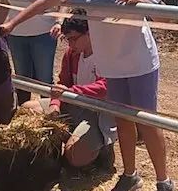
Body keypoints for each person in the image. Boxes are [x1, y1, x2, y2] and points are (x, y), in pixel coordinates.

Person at [2, 0, 174, 191]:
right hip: (112, 65)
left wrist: (140, 4)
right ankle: (130, 175)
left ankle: (164, 182)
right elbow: (47, 2)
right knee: (124, 121)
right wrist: (12, 24)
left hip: (140, 63)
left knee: (147, 123)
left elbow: (166, 16)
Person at [22, 11, 117, 170]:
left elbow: (106, 87)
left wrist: (71, 92)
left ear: (89, 33)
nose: (70, 44)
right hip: (73, 104)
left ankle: (103, 148)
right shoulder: (71, 54)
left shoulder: (107, 55)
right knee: (28, 110)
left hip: (97, 113)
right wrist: (55, 104)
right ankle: (68, 138)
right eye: (67, 39)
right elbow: (62, 83)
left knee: (74, 157)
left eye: (73, 39)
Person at [2, 0, 62, 105]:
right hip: (16, 35)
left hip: (43, 34)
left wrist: (59, 21)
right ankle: (23, 112)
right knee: (21, 78)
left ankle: (49, 115)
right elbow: (4, 2)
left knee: (44, 79)